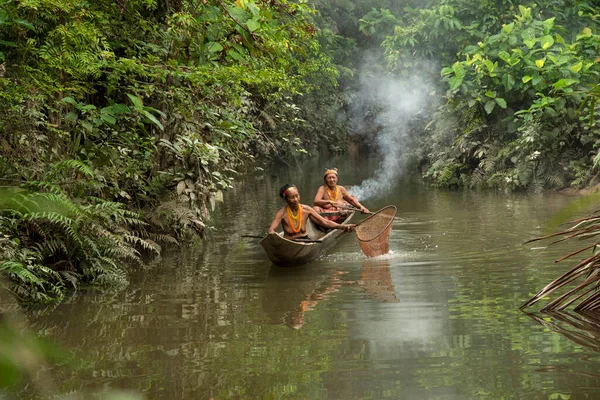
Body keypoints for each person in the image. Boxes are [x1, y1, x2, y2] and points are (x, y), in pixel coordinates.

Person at [268, 184, 355, 240]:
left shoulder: (306, 209)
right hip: (289, 243)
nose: (295, 199)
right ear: (286, 199)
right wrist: (274, 235)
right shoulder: (282, 213)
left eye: (297, 196)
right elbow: (271, 230)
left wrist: (342, 227)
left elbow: (325, 222)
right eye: (291, 197)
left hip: (305, 240)